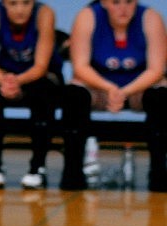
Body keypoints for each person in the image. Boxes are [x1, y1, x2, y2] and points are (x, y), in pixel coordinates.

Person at [61, 0, 167, 191]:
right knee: (73, 95)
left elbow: (156, 69)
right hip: (98, 87)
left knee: (161, 97)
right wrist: (109, 88)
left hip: (138, 88)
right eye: (116, 2)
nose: (123, 8)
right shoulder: (88, 16)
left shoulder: (151, 18)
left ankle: (159, 173)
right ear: (104, 2)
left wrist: (124, 92)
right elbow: (80, 66)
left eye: (128, 2)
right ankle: (72, 172)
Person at [0, 0, 63, 190]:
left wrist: (17, 81)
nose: (20, 9)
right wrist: (4, 80)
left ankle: (37, 166)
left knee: (44, 95)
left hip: (40, 75)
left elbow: (41, 66)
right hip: (6, 75)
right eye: (13, 3)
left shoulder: (45, 14)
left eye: (26, 3)